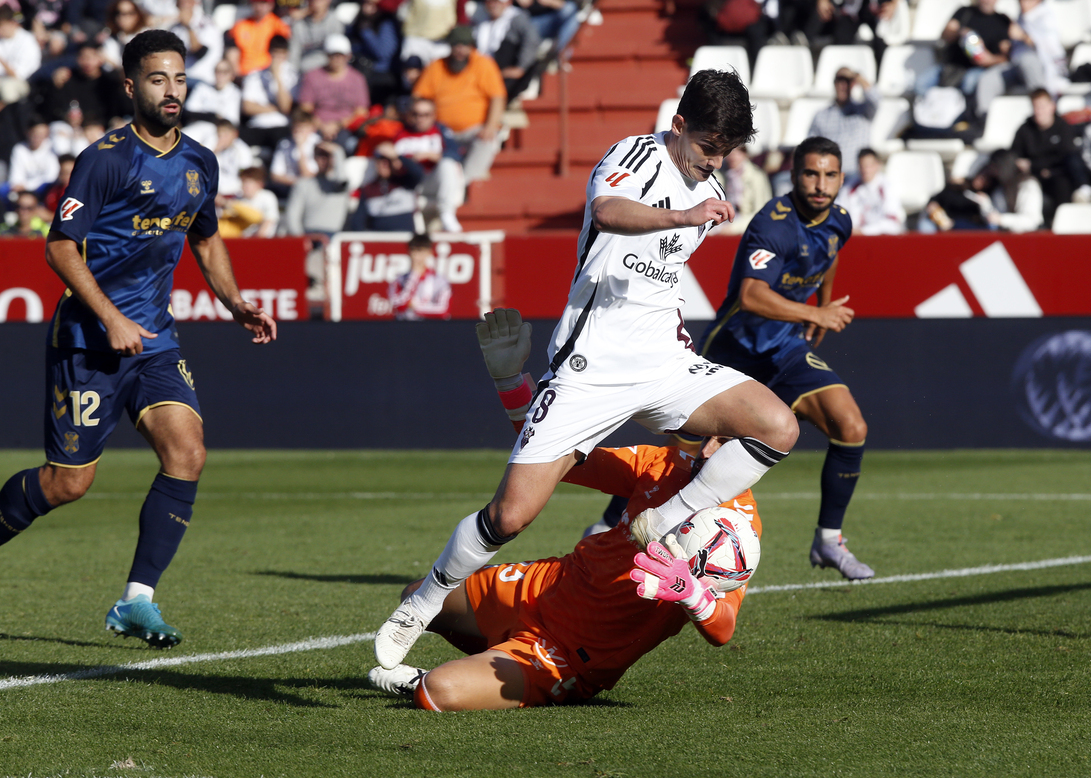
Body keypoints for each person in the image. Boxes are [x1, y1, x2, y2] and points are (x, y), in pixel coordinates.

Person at [374, 69, 799, 671]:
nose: (715, 161)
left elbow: (662, 273)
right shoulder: (636, 155)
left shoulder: (707, 177)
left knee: (778, 427)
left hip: (665, 362)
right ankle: (423, 601)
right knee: (509, 517)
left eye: (726, 151)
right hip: (591, 367)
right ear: (678, 127)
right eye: (708, 147)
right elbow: (608, 211)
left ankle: (665, 523)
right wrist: (683, 217)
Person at [0, 30, 277, 646]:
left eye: (181, 79)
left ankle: (136, 600)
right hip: (88, 340)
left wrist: (235, 300)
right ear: (132, 85)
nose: (172, 91)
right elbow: (59, 246)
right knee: (67, 483)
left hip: (156, 339)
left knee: (187, 453)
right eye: (159, 80)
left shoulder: (199, 161)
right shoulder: (105, 158)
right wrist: (110, 316)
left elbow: (206, 237)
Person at [368, 313, 761, 709]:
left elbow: (723, 628)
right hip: (543, 586)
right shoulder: (664, 461)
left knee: (440, 691)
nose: (709, 451)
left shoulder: (738, 528)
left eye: (727, 443)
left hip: (569, 653)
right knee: (417, 595)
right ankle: (490, 657)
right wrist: (509, 381)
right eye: (711, 435)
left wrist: (691, 593)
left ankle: (450, 676)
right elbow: (558, 455)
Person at [695, 136, 871, 581]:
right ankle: (610, 525)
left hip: (786, 347)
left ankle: (829, 541)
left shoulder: (840, 221)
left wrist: (822, 306)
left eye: (830, 175)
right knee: (685, 456)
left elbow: (829, 256)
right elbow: (752, 296)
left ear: (841, 178)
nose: (821, 183)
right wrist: (817, 312)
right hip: (733, 350)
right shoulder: (772, 224)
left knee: (851, 427)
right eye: (811, 173)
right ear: (793, 176)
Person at [412, 25, 507, 186]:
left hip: (475, 129)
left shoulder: (483, 64)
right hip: (441, 130)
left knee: (487, 141)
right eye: (456, 45)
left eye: (465, 46)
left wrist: (490, 126)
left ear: (472, 47)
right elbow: (419, 97)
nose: (460, 50)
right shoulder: (437, 66)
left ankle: (463, 184)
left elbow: (498, 97)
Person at [915, 0, 1043, 119]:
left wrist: (989, 59)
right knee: (921, 84)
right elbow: (945, 35)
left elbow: (1007, 57)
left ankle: (960, 120)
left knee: (970, 83)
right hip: (952, 67)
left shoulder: (1002, 21)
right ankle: (925, 121)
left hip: (979, 70)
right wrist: (961, 32)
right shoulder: (964, 12)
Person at [1010, 88, 1091, 221]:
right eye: (1035, 107)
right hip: (1032, 177)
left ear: (1051, 106)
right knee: (1026, 185)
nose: (1038, 111)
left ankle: (1060, 227)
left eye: (1042, 107)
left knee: (1062, 184)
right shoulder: (1025, 130)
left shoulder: (1063, 127)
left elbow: (1066, 156)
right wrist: (1037, 169)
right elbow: (1014, 156)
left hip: (1058, 175)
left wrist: (1036, 165)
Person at [285, 141, 349, 296]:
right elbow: (292, 214)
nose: (323, 160)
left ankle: (320, 289)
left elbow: (341, 177)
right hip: (308, 236)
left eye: (327, 157)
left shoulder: (339, 184)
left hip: (333, 238)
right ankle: (314, 290)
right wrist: (300, 239)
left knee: (324, 256)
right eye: (320, 156)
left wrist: (337, 151)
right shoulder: (303, 184)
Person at [393, 95, 465, 232]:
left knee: (448, 164)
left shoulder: (441, 131)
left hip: (433, 180)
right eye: (416, 114)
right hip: (409, 183)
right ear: (409, 114)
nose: (420, 118)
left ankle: (446, 214)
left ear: (433, 115)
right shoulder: (400, 132)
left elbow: (457, 154)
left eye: (426, 114)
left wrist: (434, 156)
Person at [807, 67, 878, 186]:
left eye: (847, 82)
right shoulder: (821, 116)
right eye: (840, 81)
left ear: (853, 84)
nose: (843, 86)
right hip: (829, 178)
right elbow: (810, 147)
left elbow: (876, 98)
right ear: (834, 84)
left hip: (857, 177)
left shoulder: (863, 111)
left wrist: (857, 76)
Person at [297, 33, 371, 146]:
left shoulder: (357, 79)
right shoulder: (312, 76)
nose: (337, 59)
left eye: (340, 55)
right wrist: (322, 126)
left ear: (348, 56)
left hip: (346, 128)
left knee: (351, 144)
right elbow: (305, 107)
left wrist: (338, 125)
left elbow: (361, 111)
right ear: (326, 55)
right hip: (316, 126)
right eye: (333, 55)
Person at [347, 140, 424, 231]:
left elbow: (418, 172)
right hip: (380, 240)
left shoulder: (406, 182)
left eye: (388, 161)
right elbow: (357, 223)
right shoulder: (368, 189)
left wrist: (396, 156)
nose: (384, 165)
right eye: (380, 161)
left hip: (404, 239)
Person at [471, 0, 540, 100]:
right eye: (490, 2)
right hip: (485, 71)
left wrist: (520, 67)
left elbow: (531, 40)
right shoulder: (482, 22)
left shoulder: (516, 18)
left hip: (506, 71)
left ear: (507, 3)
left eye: (497, 2)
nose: (493, 4)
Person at [240, 34, 297, 156]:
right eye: (275, 53)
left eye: (281, 53)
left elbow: (286, 107)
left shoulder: (293, 76)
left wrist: (277, 76)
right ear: (269, 52)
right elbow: (247, 107)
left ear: (286, 54)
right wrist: (274, 108)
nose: (277, 57)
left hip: (280, 126)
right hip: (257, 125)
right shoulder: (254, 75)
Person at [0, 6, 42, 104]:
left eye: (1, 26)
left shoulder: (27, 41)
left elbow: (17, 75)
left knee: (7, 89)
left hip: (25, 82)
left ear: (12, 23)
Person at [842, 147, 905, 235]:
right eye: (862, 166)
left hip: (881, 240)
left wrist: (864, 231)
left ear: (877, 165)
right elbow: (840, 213)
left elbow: (893, 223)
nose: (865, 170)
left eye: (868, 166)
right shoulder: (850, 187)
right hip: (854, 239)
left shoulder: (887, 187)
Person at [388, 232, 451, 318]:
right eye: (413, 250)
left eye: (420, 251)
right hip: (405, 327)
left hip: (430, 327)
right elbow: (397, 305)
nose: (416, 256)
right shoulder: (399, 279)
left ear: (429, 252)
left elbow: (443, 310)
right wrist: (414, 276)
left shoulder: (440, 281)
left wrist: (415, 307)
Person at [166, 0, 224, 87]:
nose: (182, 4)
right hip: (179, 79)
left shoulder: (207, 24)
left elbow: (200, 52)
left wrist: (189, 27)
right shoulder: (175, 27)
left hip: (201, 81)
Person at [227, 0, 292, 76]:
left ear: (271, 5)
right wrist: (237, 74)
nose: (260, 6)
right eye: (257, 2)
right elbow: (231, 51)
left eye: (263, 2)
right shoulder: (240, 25)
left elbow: (282, 53)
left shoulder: (279, 27)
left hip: (267, 74)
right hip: (243, 74)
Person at [716, 144, 769, 235]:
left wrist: (734, 227)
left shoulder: (756, 176)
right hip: (724, 220)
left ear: (744, 154)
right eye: (729, 153)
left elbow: (761, 213)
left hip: (746, 222)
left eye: (736, 153)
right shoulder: (719, 174)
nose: (733, 157)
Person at [218, 165, 280, 238]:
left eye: (248, 183)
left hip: (261, 241)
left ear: (259, 184)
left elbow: (269, 221)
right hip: (239, 239)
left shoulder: (267, 197)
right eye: (243, 182)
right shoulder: (237, 198)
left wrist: (257, 242)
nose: (243, 186)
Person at [290, 0, 346, 74]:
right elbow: (293, 56)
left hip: (327, 73)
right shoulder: (298, 25)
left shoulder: (335, 23)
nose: (316, 2)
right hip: (302, 73)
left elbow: (337, 56)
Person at [8, 117, 59, 194]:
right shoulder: (19, 149)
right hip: (23, 191)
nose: (38, 138)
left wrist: (28, 185)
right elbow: (16, 177)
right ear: (27, 132)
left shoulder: (51, 147)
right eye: (35, 134)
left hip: (44, 190)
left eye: (42, 134)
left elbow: (50, 177)